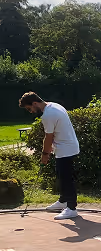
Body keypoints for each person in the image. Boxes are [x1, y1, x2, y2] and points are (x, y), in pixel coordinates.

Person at [18, 92, 80, 220]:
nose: (30, 111)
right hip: (66, 147)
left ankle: (72, 208)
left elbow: (48, 137)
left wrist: (45, 154)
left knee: (67, 179)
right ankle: (63, 201)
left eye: (30, 108)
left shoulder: (48, 115)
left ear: (35, 103)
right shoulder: (54, 106)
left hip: (66, 149)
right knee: (61, 175)